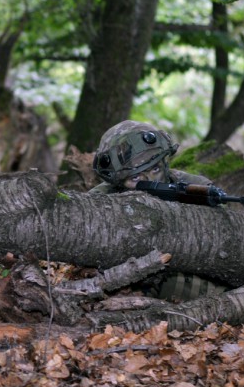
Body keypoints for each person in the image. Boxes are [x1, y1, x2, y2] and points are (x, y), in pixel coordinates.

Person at [89, 120, 226, 301]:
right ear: (117, 182)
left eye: (154, 169)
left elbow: (225, 244)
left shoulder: (195, 188)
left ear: (165, 163)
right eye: (136, 177)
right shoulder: (100, 200)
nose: (148, 182)